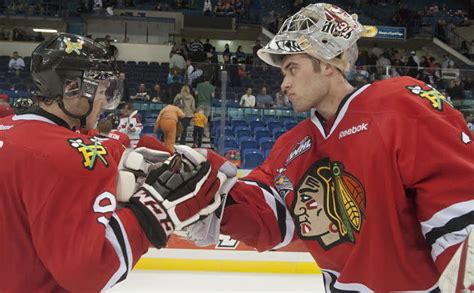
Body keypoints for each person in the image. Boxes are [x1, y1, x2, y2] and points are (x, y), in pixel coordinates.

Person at [184, 4, 474, 291]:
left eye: (292, 69)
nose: (284, 84)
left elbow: (457, 212)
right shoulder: (292, 146)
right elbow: (271, 217)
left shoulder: (400, 107)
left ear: (327, 63)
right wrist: (216, 202)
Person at [0, 33, 224, 292]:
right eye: (102, 91)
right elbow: (89, 272)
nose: (105, 101)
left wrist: (120, 158)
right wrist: (153, 210)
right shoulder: (66, 154)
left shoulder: (9, 129)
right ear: (72, 87)